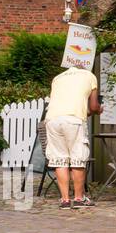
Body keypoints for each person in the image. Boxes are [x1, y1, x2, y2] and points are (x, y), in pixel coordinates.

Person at [45, 64, 101, 208]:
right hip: (74, 121)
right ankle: (78, 198)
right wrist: (99, 109)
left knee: (59, 159)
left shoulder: (57, 78)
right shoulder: (89, 76)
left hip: (52, 120)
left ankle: (64, 200)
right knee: (78, 158)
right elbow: (93, 107)